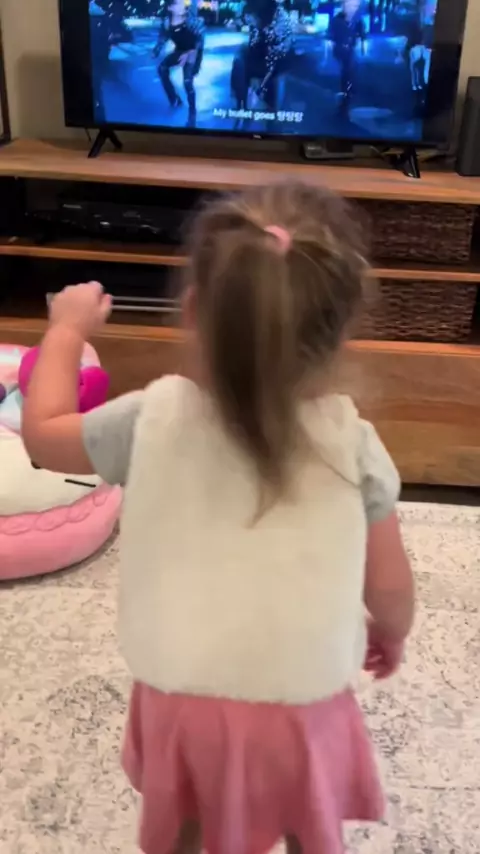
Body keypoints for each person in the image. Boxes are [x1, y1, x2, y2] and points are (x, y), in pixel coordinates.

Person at [22, 181, 415, 854]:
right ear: (340, 331)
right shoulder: (354, 443)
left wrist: (65, 331)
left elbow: (42, 435)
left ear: (192, 309)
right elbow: (388, 584)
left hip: (182, 690)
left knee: (186, 813)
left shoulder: (150, 418)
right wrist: (391, 632)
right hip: (302, 694)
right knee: (305, 811)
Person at [153, 0, 205, 128]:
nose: (183, 6)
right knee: (162, 69)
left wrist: (192, 55)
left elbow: (199, 42)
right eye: (178, 3)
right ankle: (174, 99)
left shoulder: (193, 22)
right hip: (180, 51)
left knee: (187, 81)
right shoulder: (167, 23)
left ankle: (192, 112)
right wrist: (156, 50)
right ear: (170, 8)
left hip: (193, 52)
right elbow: (162, 38)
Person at [329, 0, 366, 105]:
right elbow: (331, 37)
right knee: (346, 68)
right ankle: (344, 89)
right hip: (339, 49)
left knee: (350, 68)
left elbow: (362, 35)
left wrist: (362, 47)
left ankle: (348, 89)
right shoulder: (336, 20)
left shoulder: (358, 21)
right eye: (350, 5)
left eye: (355, 6)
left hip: (351, 49)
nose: (352, 8)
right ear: (344, 5)